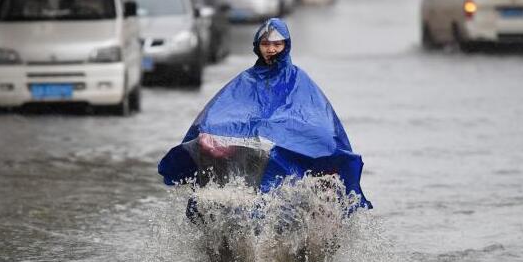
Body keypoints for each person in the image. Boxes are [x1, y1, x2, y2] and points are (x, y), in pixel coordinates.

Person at [158, 18, 372, 210]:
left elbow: (319, 121)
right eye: (266, 44)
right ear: (257, 46)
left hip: (278, 150)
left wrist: (282, 131)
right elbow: (220, 113)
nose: (271, 49)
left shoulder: (299, 80)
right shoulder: (245, 80)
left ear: (286, 46)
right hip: (248, 157)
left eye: (277, 44)